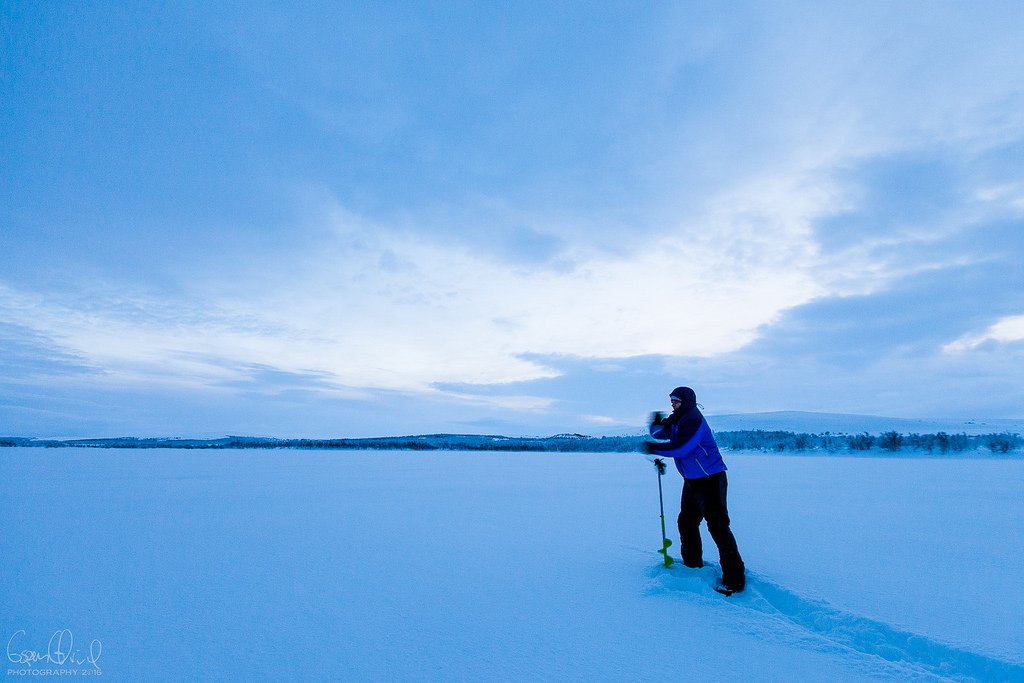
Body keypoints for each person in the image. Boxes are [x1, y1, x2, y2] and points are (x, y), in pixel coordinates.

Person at [644, 386, 746, 593]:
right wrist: (653, 423)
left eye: (676, 399)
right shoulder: (677, 420)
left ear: (687, 401)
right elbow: (661, 432)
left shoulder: (692, 419)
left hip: (711, 479)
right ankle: (692, 565)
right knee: (687, 521)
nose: (672, 403)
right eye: (671, 399)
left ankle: (734, 580)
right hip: (692, 480)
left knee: (718, 527)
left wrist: (651, 448)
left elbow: (681, 448)